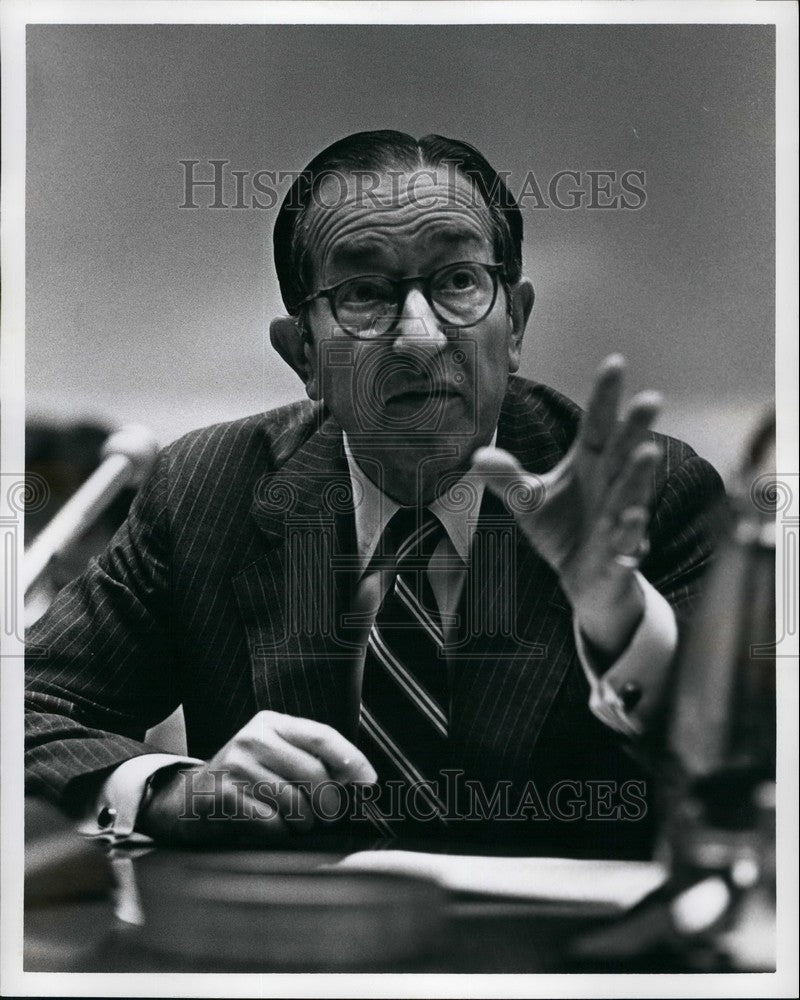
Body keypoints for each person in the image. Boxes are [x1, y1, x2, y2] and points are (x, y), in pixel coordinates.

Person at [25, 130, 724, 854]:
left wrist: (618, 618)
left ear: (513, 322)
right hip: (284, 957)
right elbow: (29, 707)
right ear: (304, 354)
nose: (420, 337)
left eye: (458, 282)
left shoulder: (646, 494)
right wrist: (171, 790)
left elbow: (753, 760)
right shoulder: (207, 489)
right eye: (364, 293)